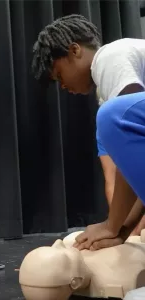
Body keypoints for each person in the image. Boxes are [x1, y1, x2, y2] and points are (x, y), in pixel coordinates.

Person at [31, 14, 145, 250]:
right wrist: (122, 229)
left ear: (74, 50)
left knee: (111, 116)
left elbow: (126, 131)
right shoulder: (108, 92)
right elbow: (137, 168)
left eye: (60, 75)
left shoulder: (109, 57)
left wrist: (111, 226)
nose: (62, 86)